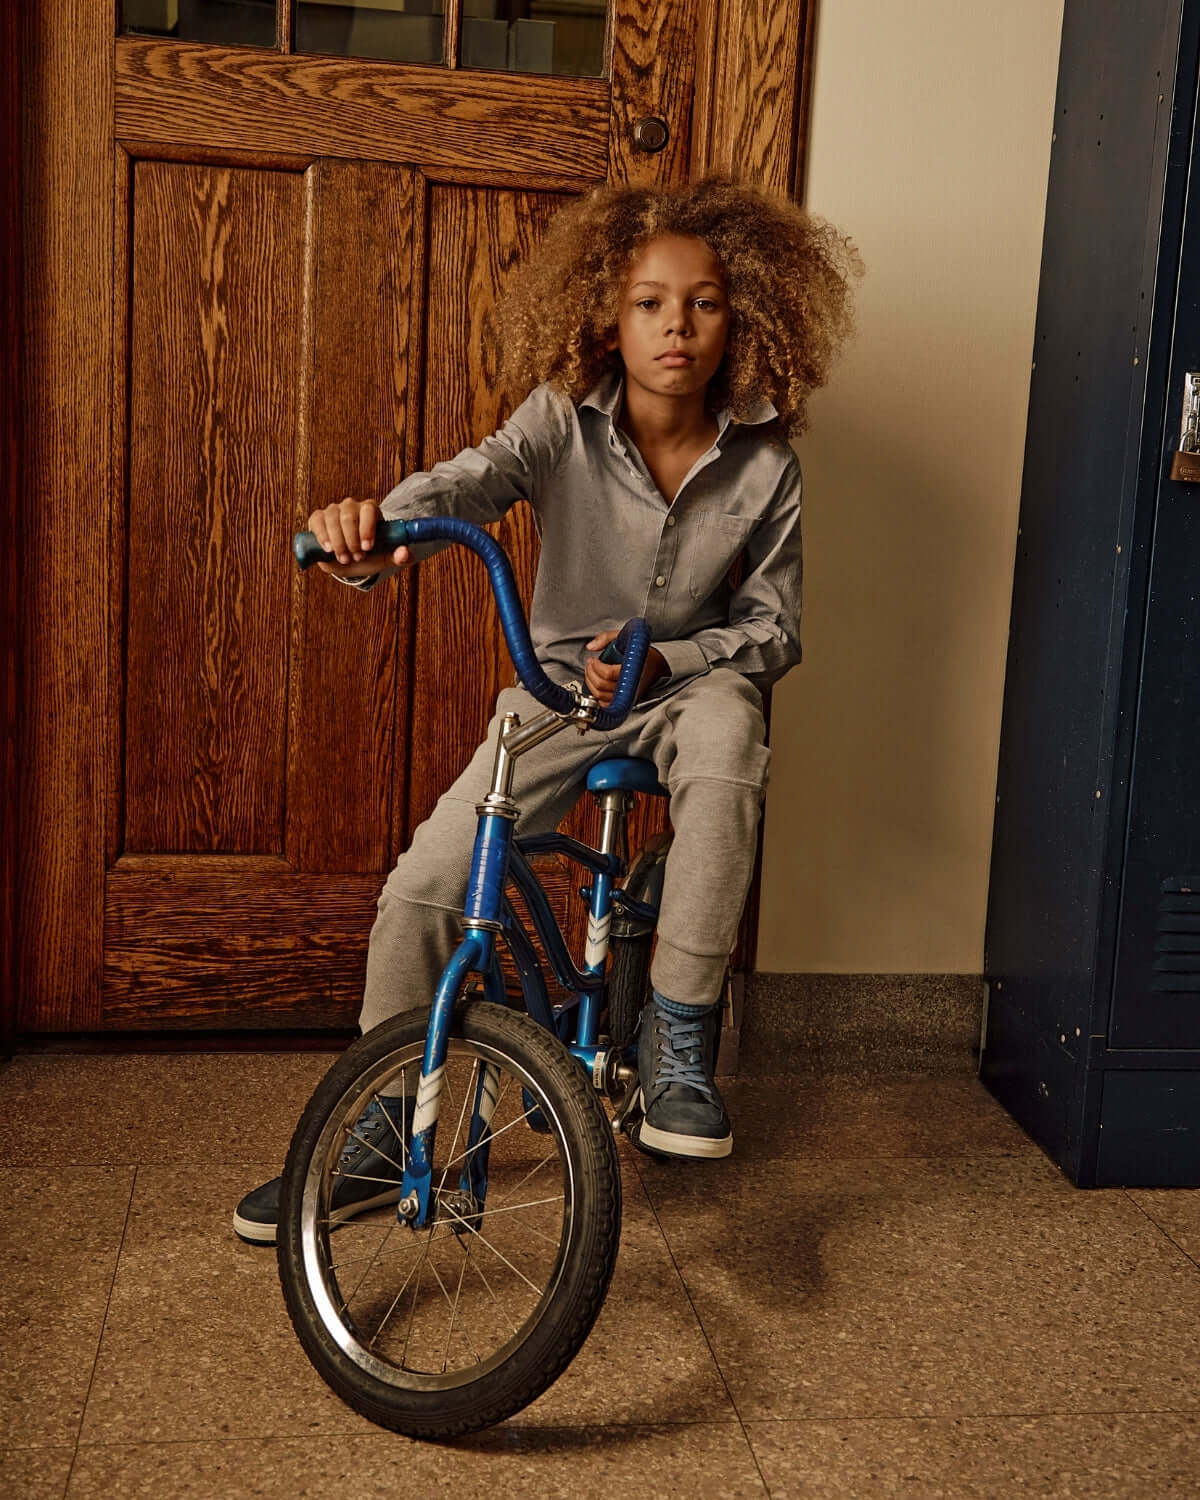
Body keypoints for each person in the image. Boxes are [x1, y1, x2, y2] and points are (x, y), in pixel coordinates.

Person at [233, 178, 860, 1244]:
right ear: (607, 319)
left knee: (732, 734)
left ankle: (676, 1041)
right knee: (426, 886)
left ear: (743, 315)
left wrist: (666, 661)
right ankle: (391, 1123)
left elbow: (773, 628)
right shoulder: (556, 424)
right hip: (557, 694)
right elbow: (468, 485)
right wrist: (375, 524)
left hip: (681, 689)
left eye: (705, 303)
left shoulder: (767, 462)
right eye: (651, 303)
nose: (678, 327)